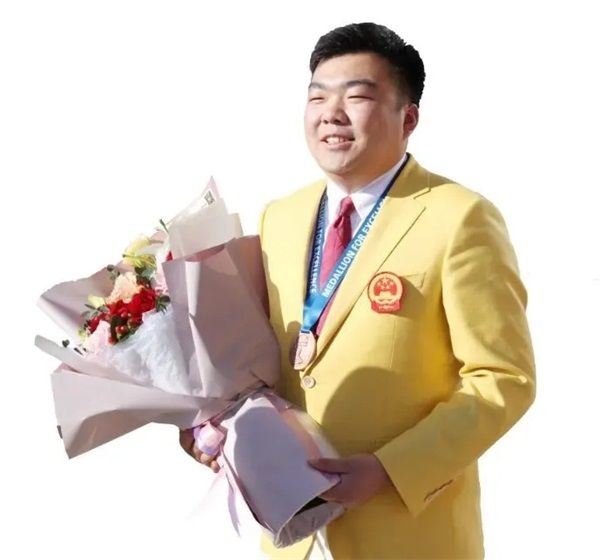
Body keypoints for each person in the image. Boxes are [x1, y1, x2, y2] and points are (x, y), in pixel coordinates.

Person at [180, 22, 536, 559]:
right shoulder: (280, 217)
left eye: (358, 97)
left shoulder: (460, 218)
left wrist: (389, 470)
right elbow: (264, 361)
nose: (331, 113)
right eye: (317, 97)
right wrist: (213, 423)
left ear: (408, 118)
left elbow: (504, 379)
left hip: (406, 533)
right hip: (291, 533)